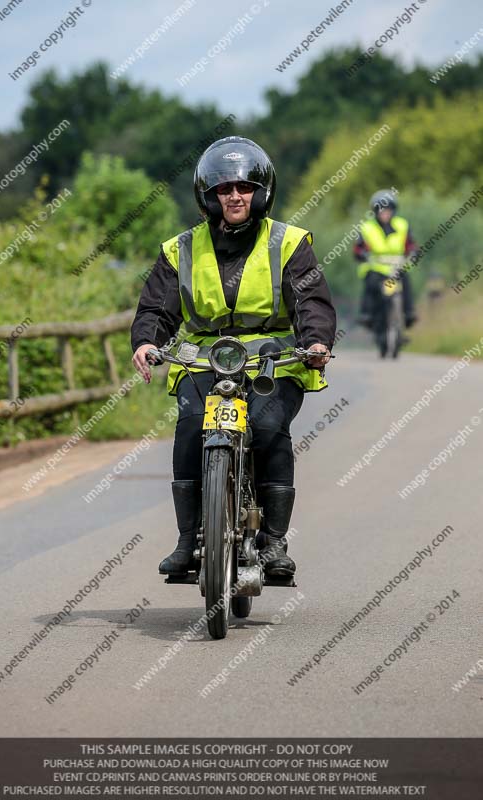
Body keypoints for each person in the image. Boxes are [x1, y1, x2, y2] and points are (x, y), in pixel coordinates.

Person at [131, 136, 336, 578]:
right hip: (204, 358)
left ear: (261, 192)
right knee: (190, 427)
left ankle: (275, 543)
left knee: (266, 425)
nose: (235, 196)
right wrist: (147, 341)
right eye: (225, 189)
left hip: (274, 359)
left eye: (244, 188)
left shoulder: (289, 242)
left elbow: (312, 301)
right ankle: (188, 540)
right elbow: (156, 308)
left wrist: (316, 342)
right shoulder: (180, 248)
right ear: (209, 195)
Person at [355, 189, 418, 329]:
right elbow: (359, 247)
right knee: (371, 284)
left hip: (397, 267)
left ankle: (409, 314)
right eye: (382, 210)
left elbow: (411, 244)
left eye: (388, 210)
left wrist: (413, 253)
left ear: (393, 211)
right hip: (375, 267)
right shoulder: (367, 227)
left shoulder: (402, 225)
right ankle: (367, 315)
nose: (385, 213)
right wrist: (362, 254)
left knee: (406, 283)